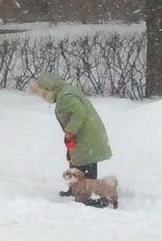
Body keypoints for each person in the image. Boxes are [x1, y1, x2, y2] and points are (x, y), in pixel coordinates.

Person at [29, 72, 113, 206]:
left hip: (87, 134)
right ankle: (75, 189)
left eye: (43, 94)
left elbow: (79, 112)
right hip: (85, 133)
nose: (44, 98)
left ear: (49, 89)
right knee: (76, 161)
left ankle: (87, 195)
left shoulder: (66, 96)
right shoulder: (64, 92)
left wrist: (70, 131)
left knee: (87, 162)